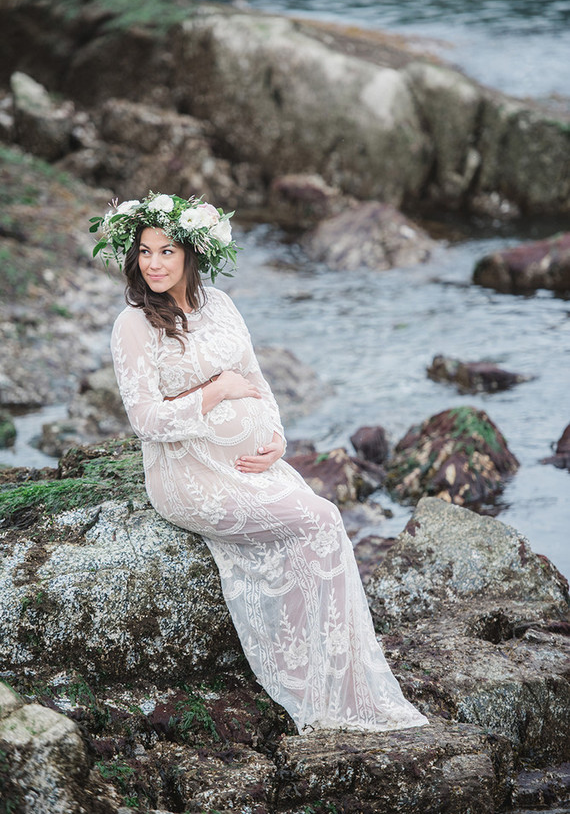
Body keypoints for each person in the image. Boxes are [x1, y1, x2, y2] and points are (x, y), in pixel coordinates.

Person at [92, 191, 428, 734]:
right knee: (320, 521)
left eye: (166, 251)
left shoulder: (220, 305)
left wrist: (275, 435)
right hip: (187, 476)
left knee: (322, 524)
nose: (153, 263)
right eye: (145, 252)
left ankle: (342, 676)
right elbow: (146, 420)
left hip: (249, 464)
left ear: (192, 254)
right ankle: (318, 688)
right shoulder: (133, 325)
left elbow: (258, 379)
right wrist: (217, 391)